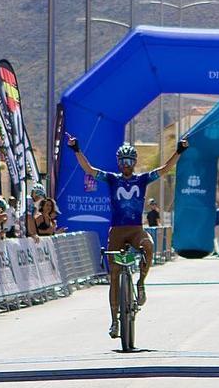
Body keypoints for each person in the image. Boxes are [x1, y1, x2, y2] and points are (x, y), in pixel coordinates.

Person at [67, 133, 187, 339]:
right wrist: (76, 149)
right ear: (118, 162)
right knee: (114, 276)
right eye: (123, 161)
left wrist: (179, 151)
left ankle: (140, 283)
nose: (126, 164)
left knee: (148, 246)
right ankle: (114, 321)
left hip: (135, 230)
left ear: (134, 162)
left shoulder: (141, 180)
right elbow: (89, 169)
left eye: (129, 161)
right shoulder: (112, 179)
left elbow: (165, 169)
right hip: (117, 231)